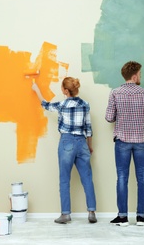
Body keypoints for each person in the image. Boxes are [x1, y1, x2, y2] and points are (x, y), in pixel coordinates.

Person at [105, 61, 144, 226]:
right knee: (142, 177)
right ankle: (141, 217)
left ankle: (123, 217)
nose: (141, 76)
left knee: (122, 177)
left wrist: (122, 114)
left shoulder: (115, 93)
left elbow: (109, 118)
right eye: (140, 74)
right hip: (141, 141)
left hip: (122, 141)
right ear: (134, 75)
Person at [32, 77, 97, 224]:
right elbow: (89, 128)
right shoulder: (85, 104)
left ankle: (65, 214)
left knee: (64, 179)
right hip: (82, 142)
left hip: (67, 142)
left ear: (66, 91)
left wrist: (37, 90)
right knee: (87, 178)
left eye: (62, 88)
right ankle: (92, 212)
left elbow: (46, 105)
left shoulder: (62, 104)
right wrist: (89, 145)